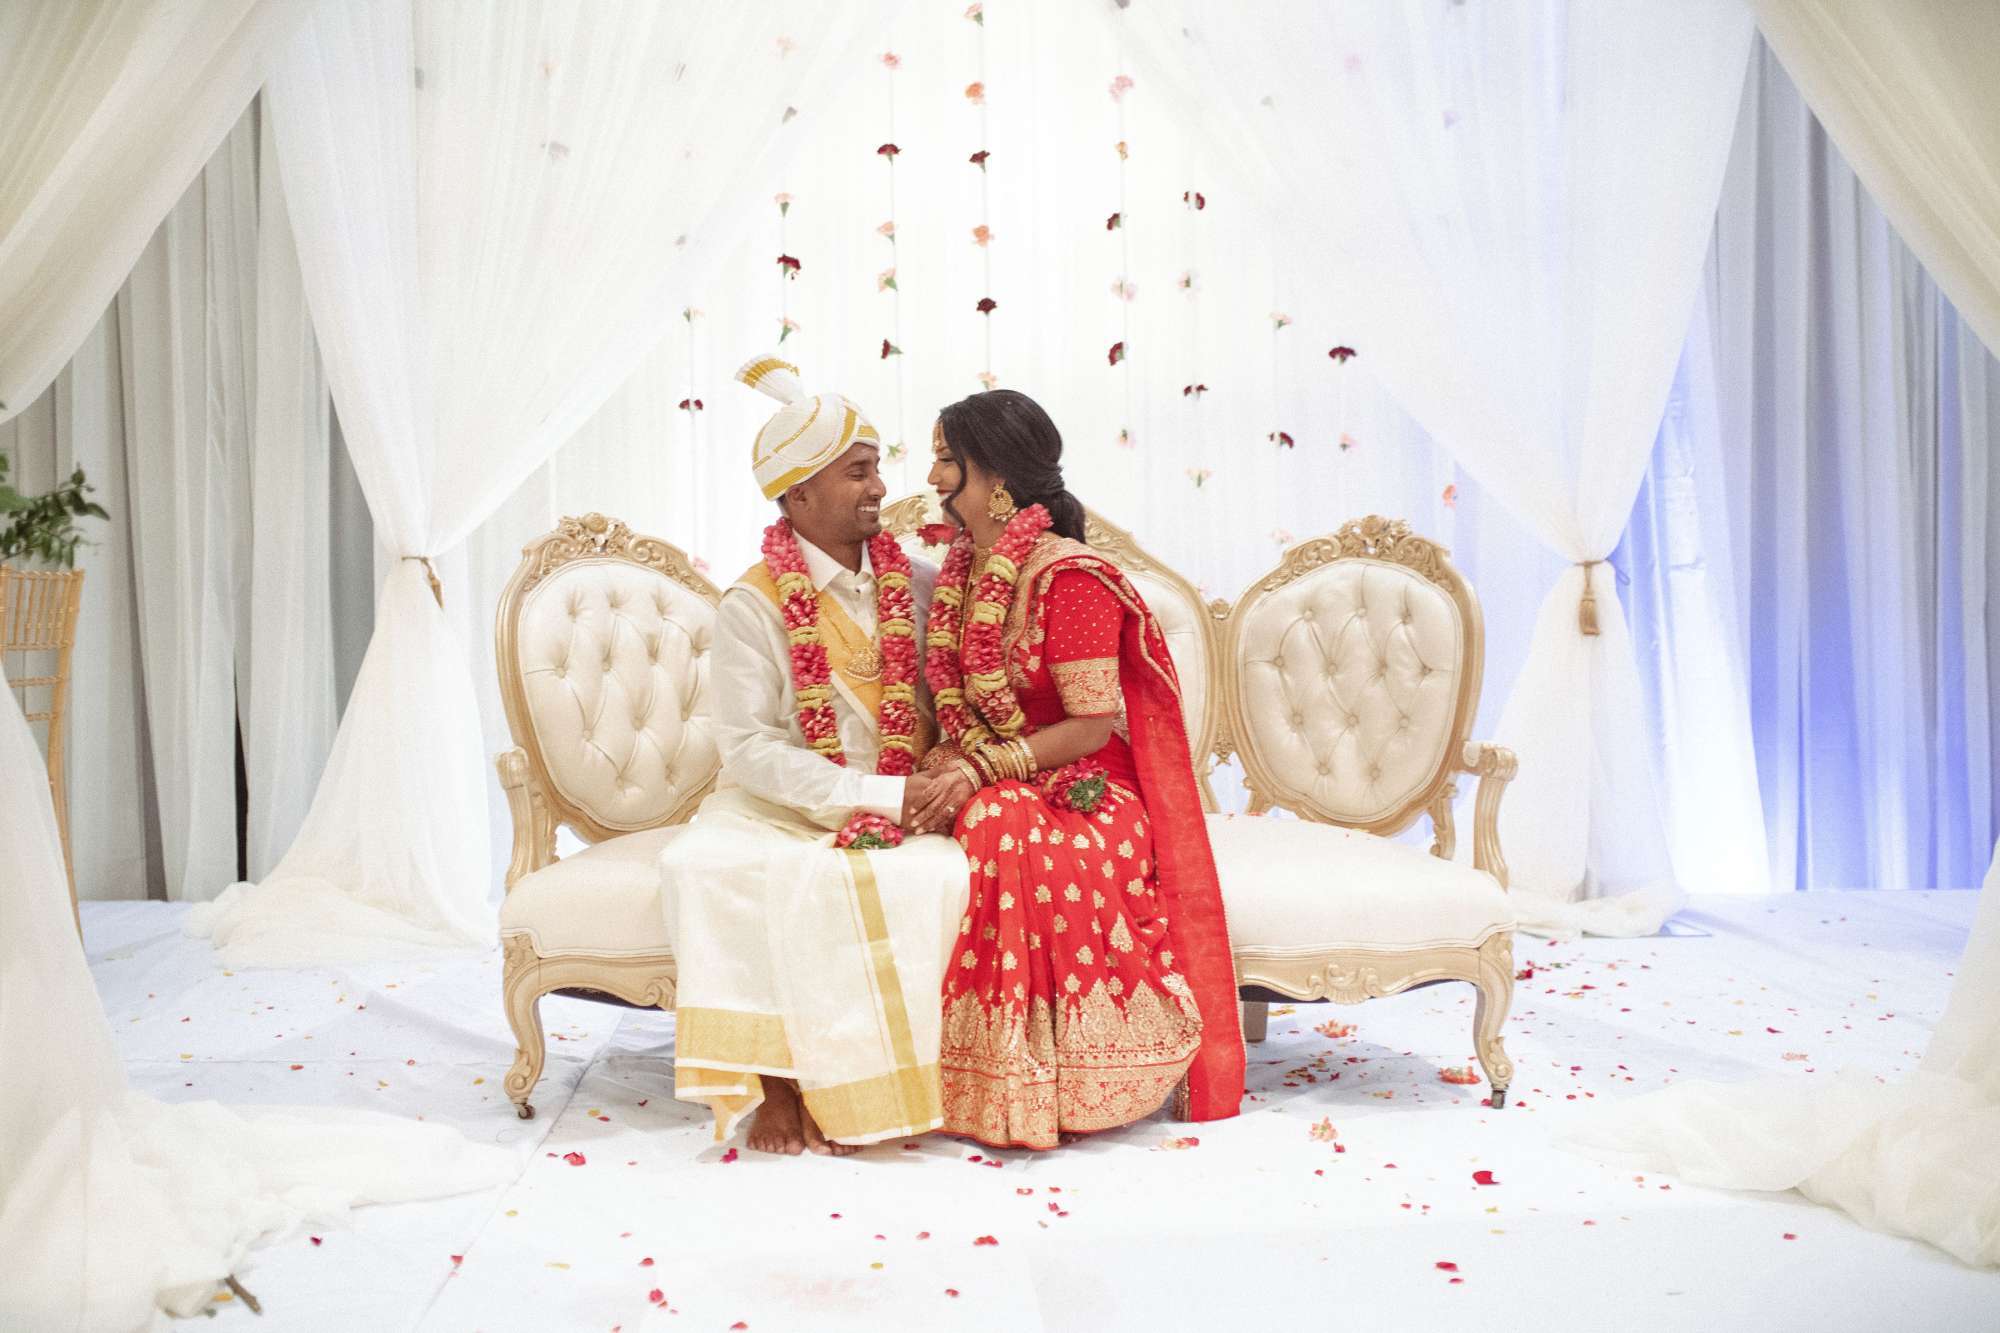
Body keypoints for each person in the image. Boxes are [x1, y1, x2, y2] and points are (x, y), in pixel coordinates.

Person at [909, 389, 1244, 1148]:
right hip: (999, 771)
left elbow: (1091, 725)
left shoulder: (1073, 578)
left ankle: (1048, 1080)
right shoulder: (962, 571)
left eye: (943, 459)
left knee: (1001, 822)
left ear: (992, 476)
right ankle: (953, 1072)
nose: (930, 477)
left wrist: (985, 770)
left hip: (1088, 788)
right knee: (938, 810)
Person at [662, 356, 969, 1156]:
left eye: (876, 471)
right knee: (706, 867)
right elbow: (751, 749)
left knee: (926, 876)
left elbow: (965, 696)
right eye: (859, 473)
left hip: (913, 793)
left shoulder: (927, 584)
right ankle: (777, 1080)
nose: (879, 490)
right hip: (783, 804)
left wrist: (937, 774)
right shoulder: (753, 604)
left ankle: (900, 1081)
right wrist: (866, 795)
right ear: (798, 495)